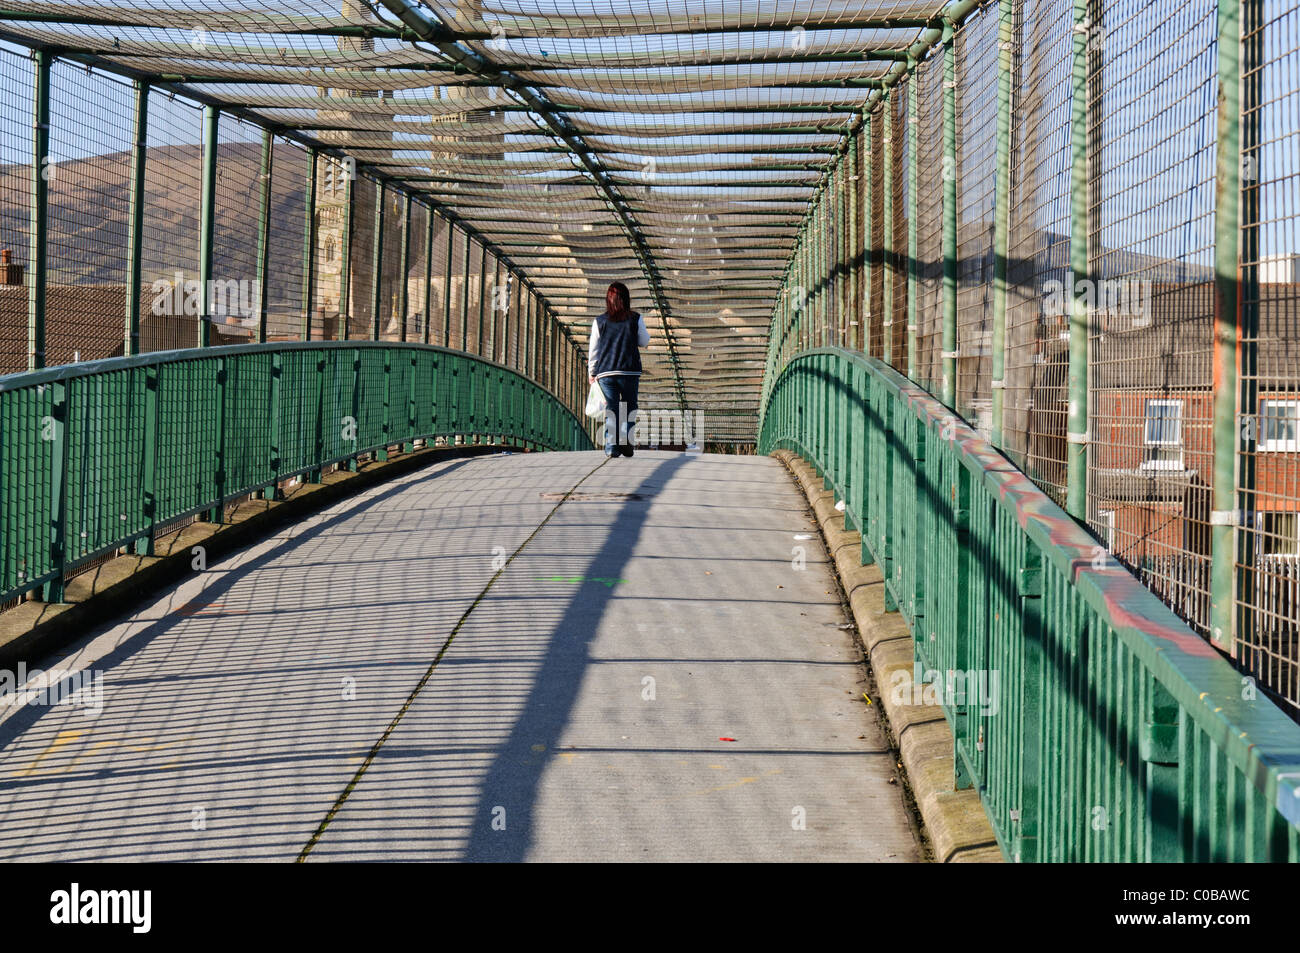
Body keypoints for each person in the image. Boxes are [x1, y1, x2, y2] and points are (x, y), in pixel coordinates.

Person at [588, 281, 649, 458]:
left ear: (608, 300)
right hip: (630, 371)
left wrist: (592, 373)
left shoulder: (599, 321)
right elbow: (644, 341)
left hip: (606, 372)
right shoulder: (635, 318)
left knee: (611, 411)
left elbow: (594, 350)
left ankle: (611, 447)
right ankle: (626, 437)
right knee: (630, 407)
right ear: (627, 299)